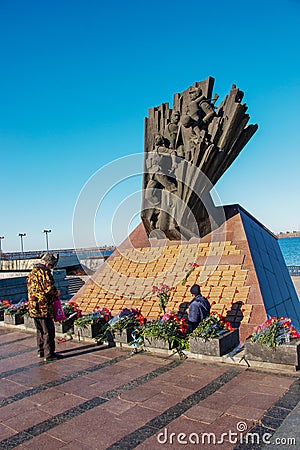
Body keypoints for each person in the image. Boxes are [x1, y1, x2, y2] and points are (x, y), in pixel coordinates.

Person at [26, 252, 63, 362]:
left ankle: (41, 351)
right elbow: (48, 288)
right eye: (52, 266)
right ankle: (49, 354)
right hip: (43, 307)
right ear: (47, 264)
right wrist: (56, 293)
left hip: (33, 307)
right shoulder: (44, 273)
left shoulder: (32, 273)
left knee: (40, 330)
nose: (52, 268)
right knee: (48, 331)